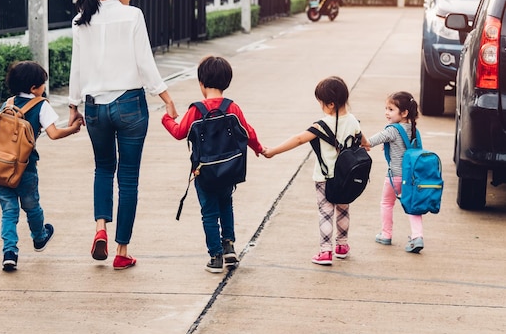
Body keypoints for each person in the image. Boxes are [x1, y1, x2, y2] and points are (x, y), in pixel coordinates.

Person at [68, 0, 178, 270]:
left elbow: (78, 68)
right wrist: (166, 98)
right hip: (130, 105)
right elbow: (145, 63)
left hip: (94, 108)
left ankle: (100, 229)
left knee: (103, 169)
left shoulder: (81, 20)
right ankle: (122, 250)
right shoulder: (132, 16)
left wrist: (74, 106)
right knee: (128, 179)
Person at [162, 55, 264, 273]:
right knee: (226, 204)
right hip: (229, 170)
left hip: (204, 172)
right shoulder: (232, 107)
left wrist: (167, 118)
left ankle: (215, 257)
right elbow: (248, 131)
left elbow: (179, 133)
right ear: (226, 81)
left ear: (201, 83)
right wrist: (258, 148)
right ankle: (229, 247)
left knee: (209, 212)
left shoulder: (196, 110)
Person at [263, 76, 362, 266]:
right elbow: (362, 140)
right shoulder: (353, 121)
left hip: (324, 178)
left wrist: (273, 151)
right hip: (346, 178)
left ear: (330, 104)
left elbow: (299, 139)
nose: (321, 107)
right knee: (343, 211)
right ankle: (342, 246)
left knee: (326, 213)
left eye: (321, 103)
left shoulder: (320, 126)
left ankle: (325, 252)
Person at [0, 60, 83, 272]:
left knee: (9, 211)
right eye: (43, 84)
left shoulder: (7, 104)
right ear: (34, 87)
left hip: (2, 167)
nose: (44, 87)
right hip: (25, 168)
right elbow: (54, 133)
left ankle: (10, 252)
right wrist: (73, 129)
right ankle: (39, 237)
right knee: (32, 206)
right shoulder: (40, 104)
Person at [365, 91, 424, 253]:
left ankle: (386, 234)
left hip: (394, 178)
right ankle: (417, 236)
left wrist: (362, 141)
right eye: (386, 108)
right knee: (413, 207)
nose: (386, 113)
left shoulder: (393, 130)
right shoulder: (414, 130)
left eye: (391, 109)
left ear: (404, 113)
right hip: (411, 178)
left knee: (386, 203)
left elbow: (371, 141)